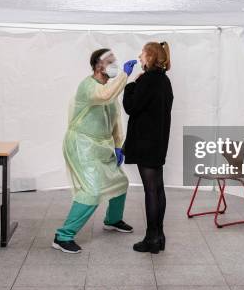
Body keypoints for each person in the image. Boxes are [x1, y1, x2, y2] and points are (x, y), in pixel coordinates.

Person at [53, 49, 138, 253]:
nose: (114, 64)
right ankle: (62, 236)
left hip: (101, 146)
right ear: (98, 65)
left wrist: (118, 145)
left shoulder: (110, 89)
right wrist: (125, 75)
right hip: (81, 145)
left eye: (114, 61)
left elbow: (116, 120)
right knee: (92, 191)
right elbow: (104, 96)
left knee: (121, 182)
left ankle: (113, 220)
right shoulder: (88, 86)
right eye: (110, 61)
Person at [123, 42, 173, 254]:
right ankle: (159, 236)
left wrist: (130, 85)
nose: (139, 56)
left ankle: (151, 238)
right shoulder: (164, 80)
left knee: (151, 190)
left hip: (146, 143)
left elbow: (131, 107)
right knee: (158, 189)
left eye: (142, 53)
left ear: (150, 56)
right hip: (158, 142)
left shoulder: (148, 80)